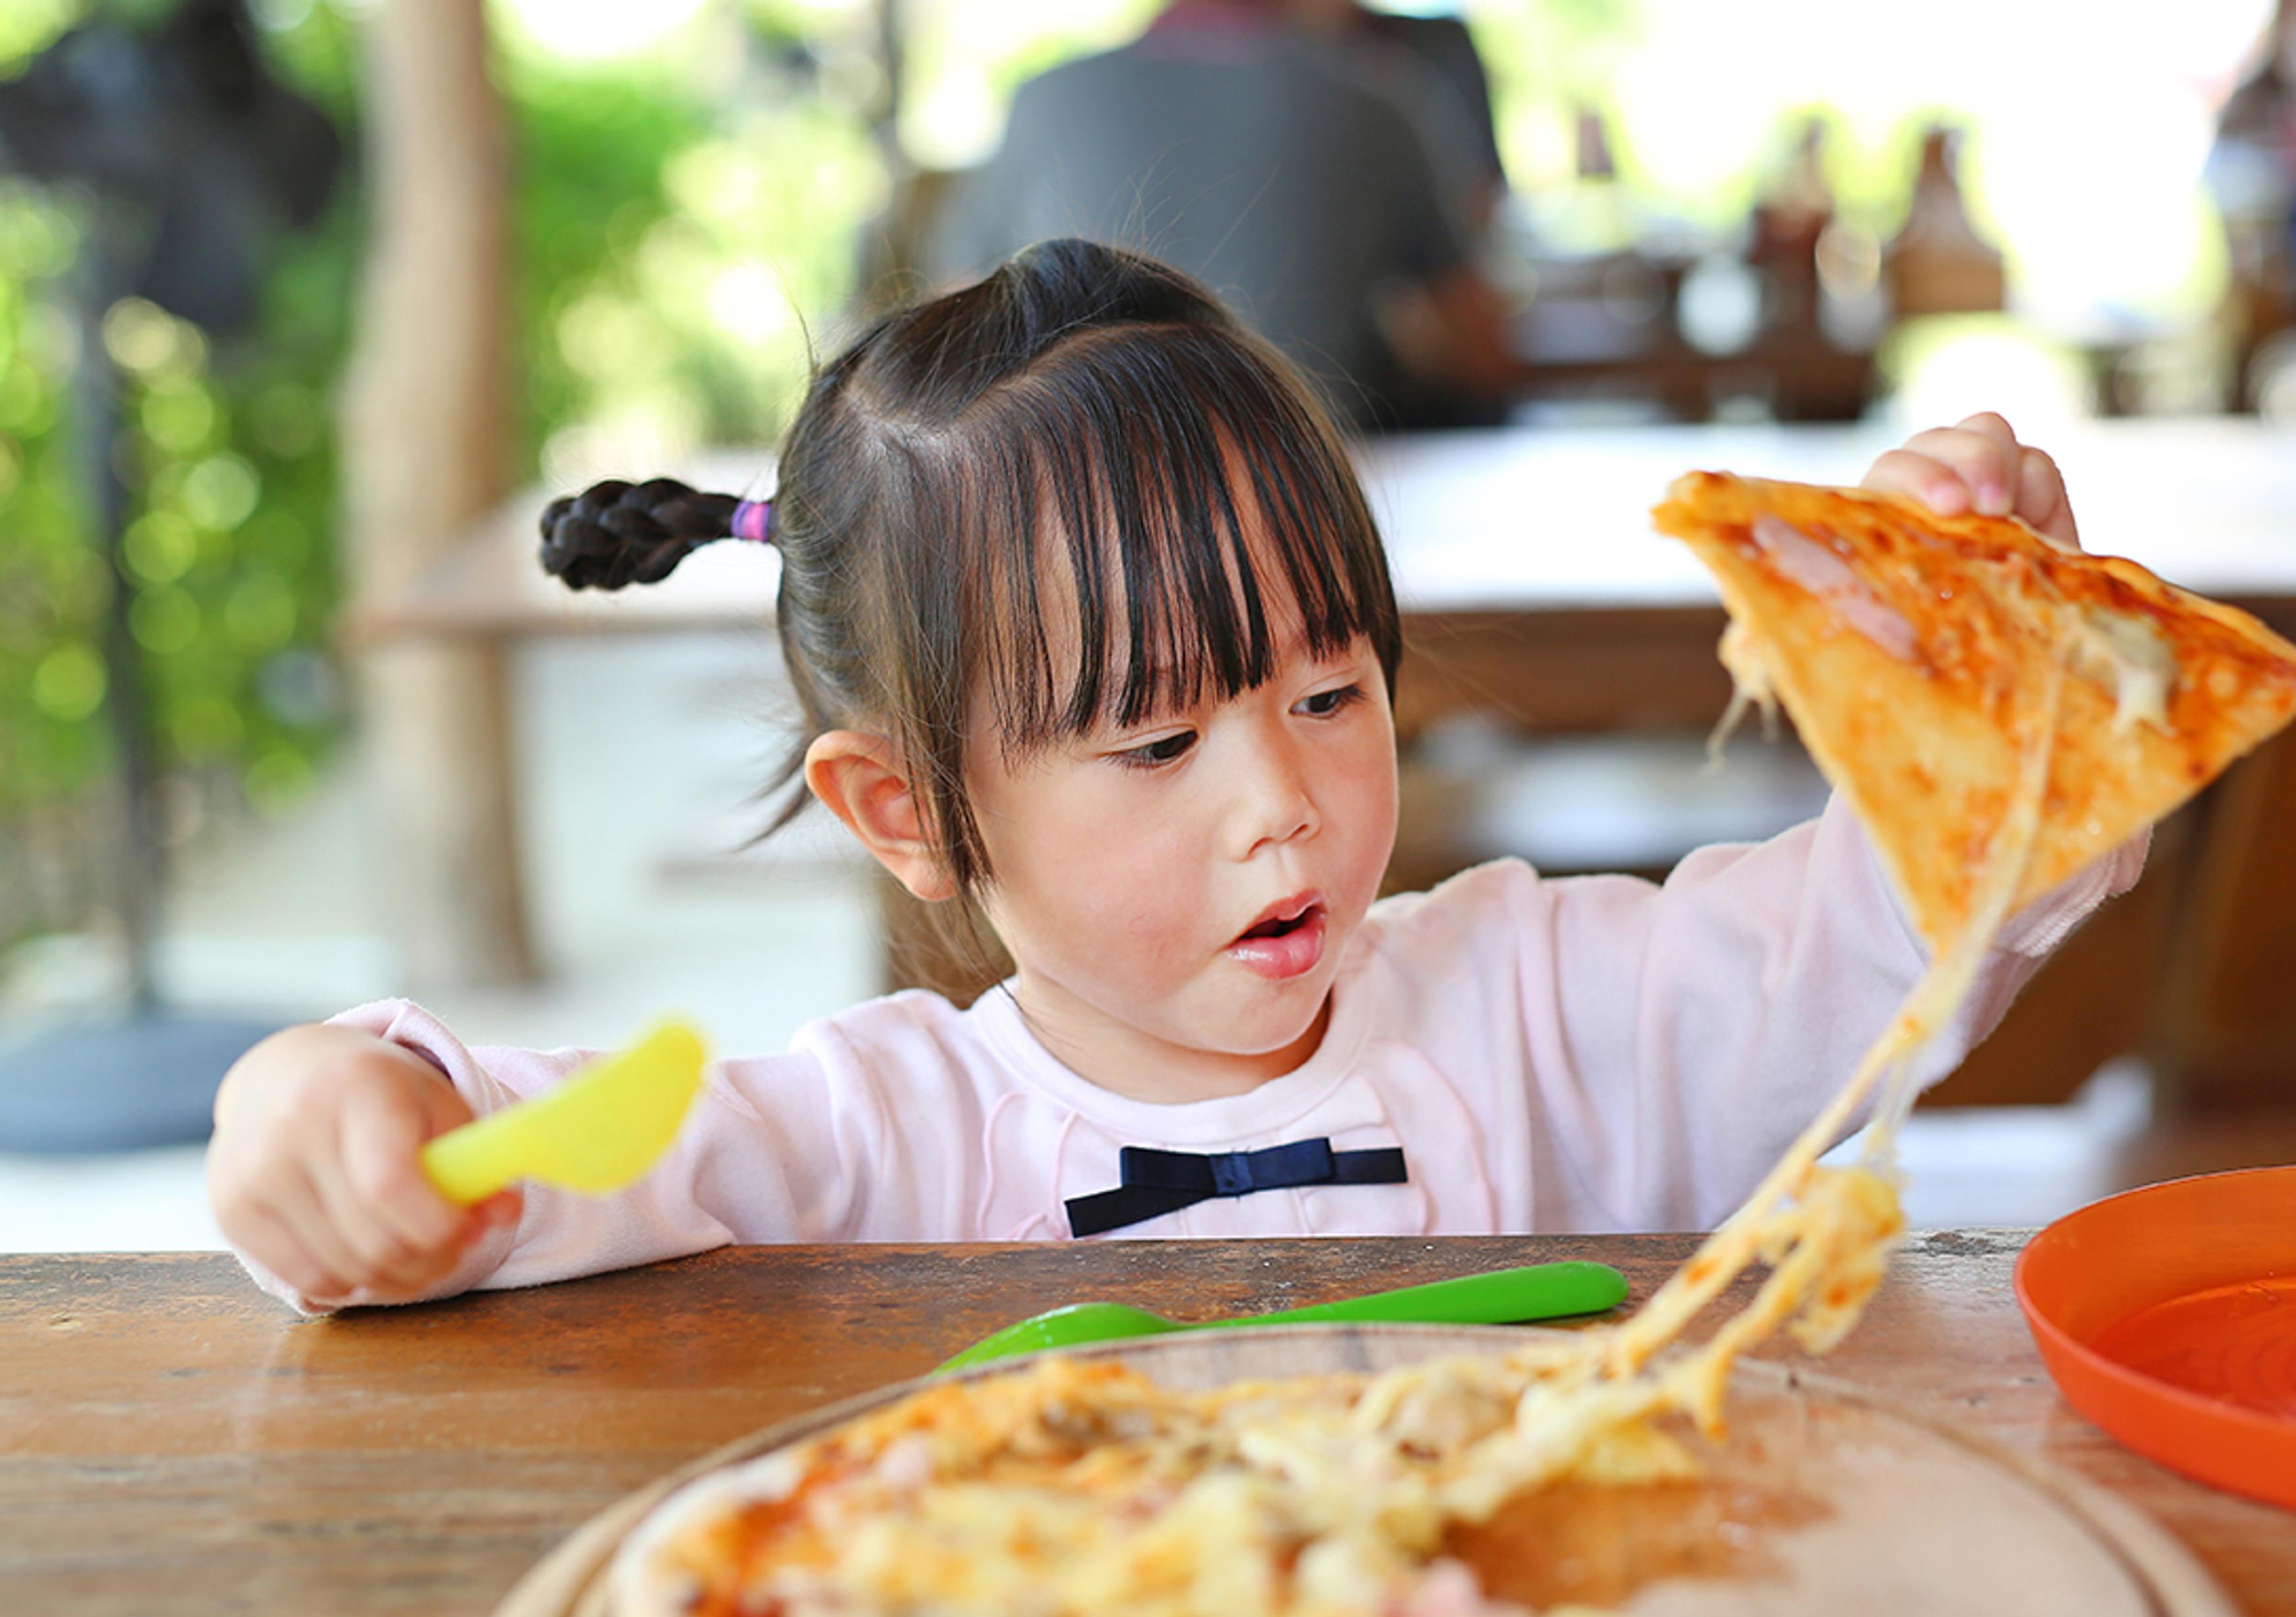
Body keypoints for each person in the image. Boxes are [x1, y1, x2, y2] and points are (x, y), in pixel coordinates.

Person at [208, 239, 2138, 1313]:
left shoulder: (1555, 1008)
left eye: (1326, 688)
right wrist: (336, 1106)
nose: (1278, 803)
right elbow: (562, 1153)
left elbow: (1912, 904)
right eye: (1152, 740)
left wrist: (1971, 648)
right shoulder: (887, 1129)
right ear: (907, 811)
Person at [925, 0, 1512, 430]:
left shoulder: (1042, 97)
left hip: (1077, 498)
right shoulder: (1383, 98)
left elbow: (951, 325)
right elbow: (1481, 355)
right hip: (1311, 493)